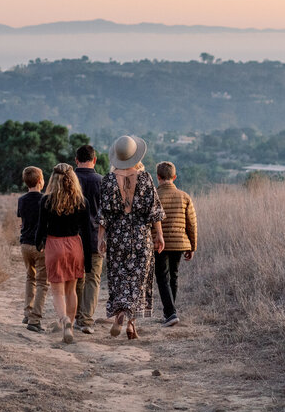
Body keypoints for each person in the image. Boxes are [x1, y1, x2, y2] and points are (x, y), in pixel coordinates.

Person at [97, 135, 164, 340]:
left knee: (119, 279)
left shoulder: (108, 181)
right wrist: (159, 235)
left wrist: (101, 239)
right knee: (138, 282)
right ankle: (131, 325)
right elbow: (154, 211)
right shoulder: (145, 179)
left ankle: (119, 316)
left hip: (117, 238)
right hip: (141, 237)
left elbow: (103, 215)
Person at [35, 163, 94, 344]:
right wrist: (88, 259)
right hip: (75, 245)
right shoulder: (82, 202)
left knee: (57, 291)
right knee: (71, 290)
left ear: (53, 179)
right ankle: (72, 321)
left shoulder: (46, 201)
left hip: (54, 245)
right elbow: (87, 232)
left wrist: (39, 244)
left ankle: (64, 321)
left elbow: (41, 228)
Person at [154, 161, 197, 327]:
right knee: (174, 275)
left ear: (158, 177)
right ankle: (170, 312)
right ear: (174, 177)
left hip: (159, 243)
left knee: (162, 277)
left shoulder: (154, 196)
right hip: (180, 243)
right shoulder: (184, 196)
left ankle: (170, 313)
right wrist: (192, 246)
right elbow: (191, 224)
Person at [73, 144, 104, 334]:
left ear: (76, 160)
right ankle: (86, 320)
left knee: (76, 277)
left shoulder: (69, 180)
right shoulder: (102, 181)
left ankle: (75, 315)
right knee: (93, 279)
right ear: (95, 160)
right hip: (95, 237)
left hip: (72, 238)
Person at [17, 166, 48, 332]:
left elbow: (23, 221)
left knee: (30, 278)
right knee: (43, 282)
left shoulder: (21, 200)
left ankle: (27, 312)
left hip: (24, 244)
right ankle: (35, 320)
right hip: (40, 246)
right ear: (40, 181)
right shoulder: (45, 200)